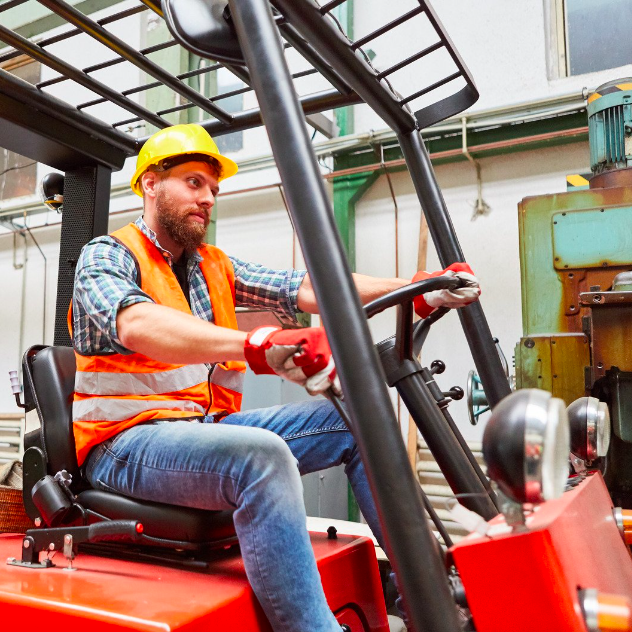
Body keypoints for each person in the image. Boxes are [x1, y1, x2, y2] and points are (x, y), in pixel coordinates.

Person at [71, 124, 480, 632]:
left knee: (353, 417)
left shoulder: (211, 266)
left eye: (213, 190)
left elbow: (306, 288)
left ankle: (430, 599)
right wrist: (253, 344)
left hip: (202, 430)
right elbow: (135, 323)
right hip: (124, 445)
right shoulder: (107, 255)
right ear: (151, 183)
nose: (207, 199)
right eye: (194, 183)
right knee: (262, 458)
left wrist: (419, 288)